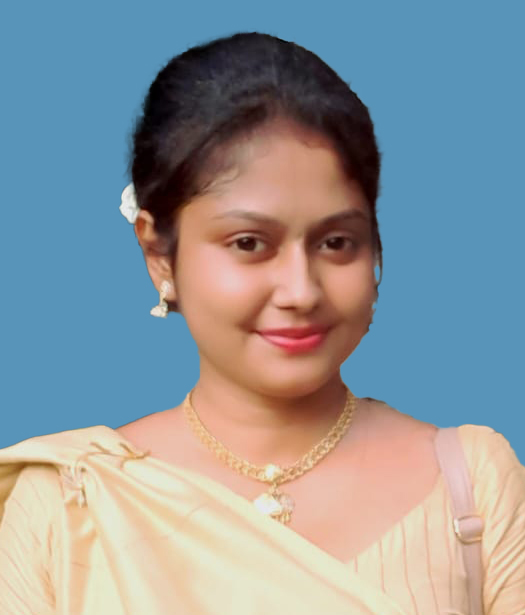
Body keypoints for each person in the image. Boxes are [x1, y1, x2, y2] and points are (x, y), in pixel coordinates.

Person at [0, 32, 523, 615]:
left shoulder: (470, 486)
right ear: (158, 255)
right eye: (249, 243)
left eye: (336, 242)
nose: (301, 291)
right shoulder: (70, 502)